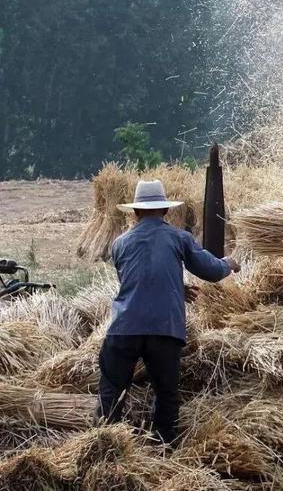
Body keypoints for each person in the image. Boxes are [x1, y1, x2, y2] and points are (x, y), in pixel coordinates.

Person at [95, 180, 240, 445]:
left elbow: (132, 279)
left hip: (124, 328)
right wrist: (227, 264)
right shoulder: (179, 238)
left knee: (112, 391)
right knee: (166, 394)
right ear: (164, 211)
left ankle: (105, 447)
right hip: (165, 329)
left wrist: (174, 285)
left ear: (136, 212)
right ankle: (164, 451)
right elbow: (210, 271)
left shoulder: (120, 243)